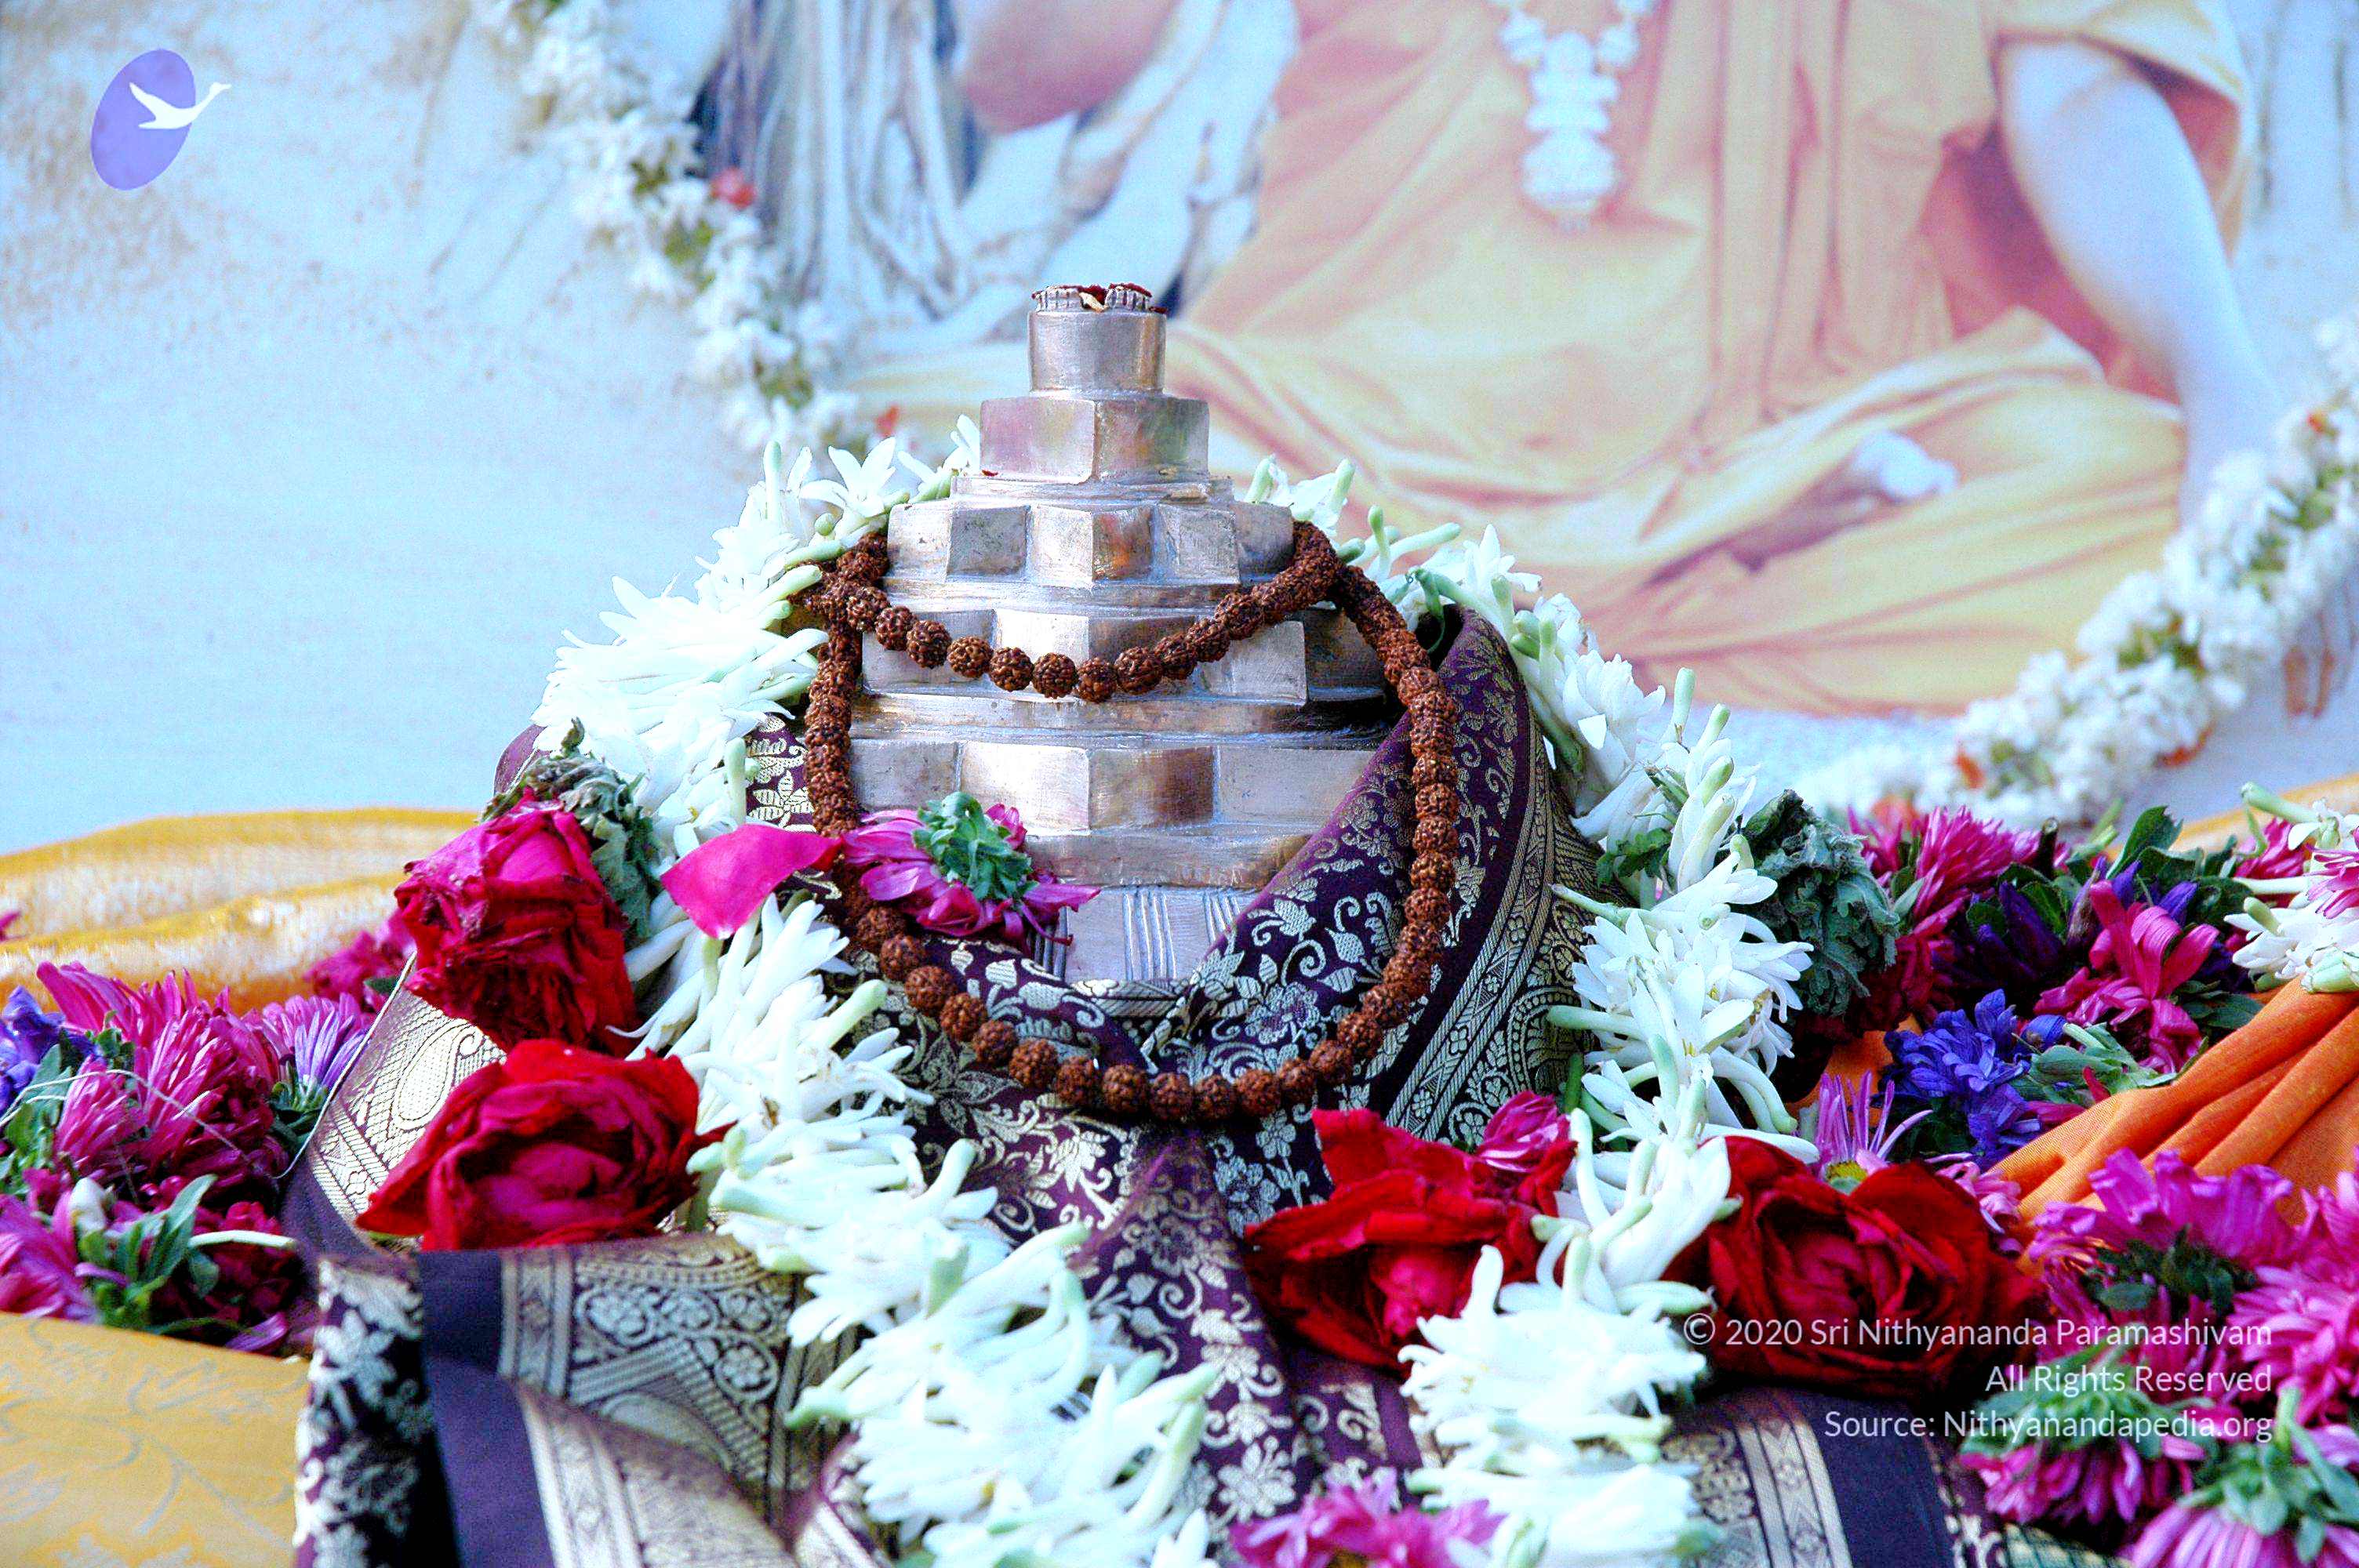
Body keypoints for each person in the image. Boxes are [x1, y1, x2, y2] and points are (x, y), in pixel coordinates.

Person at [940, 0, 2282, 715]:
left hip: (1819, 419)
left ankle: (1664, 545)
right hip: (1354, 422)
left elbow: (2080, 89)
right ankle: (1640, 553)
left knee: (2131, 497)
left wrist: (2229, 400)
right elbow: (1015, 74)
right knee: (983, 468)